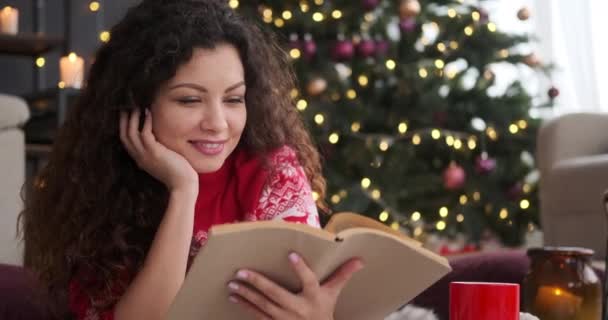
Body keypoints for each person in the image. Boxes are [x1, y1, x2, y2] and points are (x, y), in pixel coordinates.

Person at [18, 1, 364, 319]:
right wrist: (183, 190)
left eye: (233, 99)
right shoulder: (98, 191)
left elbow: (305, 293)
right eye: (189, 100)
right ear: (136, 105)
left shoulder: (273, 171)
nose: (217, 123)